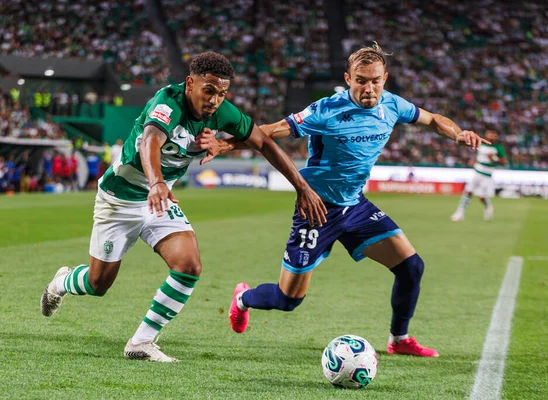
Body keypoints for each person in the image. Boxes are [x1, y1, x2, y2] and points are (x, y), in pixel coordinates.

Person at [197, 43, 489, 358]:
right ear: (348, 78)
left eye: (375, 80)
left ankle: (399, 338)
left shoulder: (392, 105)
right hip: (316, 209)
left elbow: (432, 119)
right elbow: (268, 132)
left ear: (385, 78)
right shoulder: (325, 110)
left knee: (411, 267)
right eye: (361, 80)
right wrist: (224, 146)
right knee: (288, 299)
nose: (369, 87)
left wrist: (458, 133)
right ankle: (243, 299)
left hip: (355, 206)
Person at [40, 52, 327, 362]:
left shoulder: (223, 113)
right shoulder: (169, 102)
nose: (216, 100)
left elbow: (265, 143)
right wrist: (156, 182)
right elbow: (150, 140)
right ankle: (61, 283)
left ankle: (141, 343)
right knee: (98, 284)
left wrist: (301, 186)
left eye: (222, 93)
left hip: (160, 200)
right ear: (190, 83)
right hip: (121, 198)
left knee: (189, 265)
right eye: (209, 90)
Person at [451, 130, 507, 222]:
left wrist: (494, 158)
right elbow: (479, 155)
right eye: (489, 134)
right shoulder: (481, 143)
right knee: (468, 191)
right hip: (477, 172)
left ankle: (488, 207)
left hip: (487, 175)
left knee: (481, 196)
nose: (491, 137)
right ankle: (460, 213)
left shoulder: (498, 147)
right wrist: (474, 161)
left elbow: (504, 162)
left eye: (493, 135)